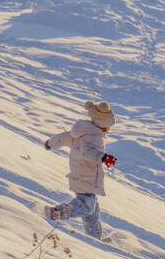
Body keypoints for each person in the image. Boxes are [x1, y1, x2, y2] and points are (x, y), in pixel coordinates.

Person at [43, 100, 117, 241]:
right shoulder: (94, 136)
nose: (109, 129)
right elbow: (87, 152)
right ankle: (56, 213)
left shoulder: (82, 131)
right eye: (108, 126)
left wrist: (50, 142)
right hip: (86, 177)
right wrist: (103, 157)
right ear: (103, 124)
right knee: (87, 207)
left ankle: (94, 238)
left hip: (82, 176)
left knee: (92, 212)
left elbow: (62, 138)